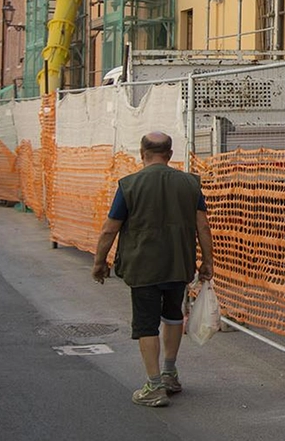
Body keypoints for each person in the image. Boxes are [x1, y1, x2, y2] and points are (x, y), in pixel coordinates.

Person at [92, 131, 213, 407]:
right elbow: (203, 226)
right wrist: (208, 261)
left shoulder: (129, 185)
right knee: (172, 316)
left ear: (141, 153)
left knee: (146, 323)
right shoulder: (190, 184)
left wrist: (100, 263)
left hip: (143, 266)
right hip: (179, 264)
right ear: (170, 154)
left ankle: (154, 386)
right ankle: (170, 373)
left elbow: (110, 229)